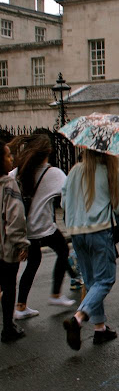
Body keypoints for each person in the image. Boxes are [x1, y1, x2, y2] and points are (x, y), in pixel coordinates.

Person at [61, 149, 119, 350]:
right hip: (99, 231)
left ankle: (100, 329)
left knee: (91, 282)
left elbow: (63, 202)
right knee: (105, 279)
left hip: (76, 232)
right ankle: (79, 318)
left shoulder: (74, 171)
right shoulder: (110, 172)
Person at [8, 135, 74, 321]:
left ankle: (20, 306)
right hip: (45, 228)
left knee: (33, 263)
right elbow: (68, 196)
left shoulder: (17, 173)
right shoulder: (53, 173)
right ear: (48, 153)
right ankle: (55, 294)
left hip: (26, 231)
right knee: (62, 251)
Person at [0, 140, 30, 342]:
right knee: (9, 286)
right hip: (6, 247)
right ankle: (8, 327)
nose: (11, 159)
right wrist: (21, 243)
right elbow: (15, 217)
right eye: (8, 155)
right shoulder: (8, 184)